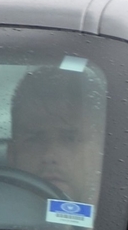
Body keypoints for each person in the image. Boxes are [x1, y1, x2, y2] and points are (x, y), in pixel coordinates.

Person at [6, 66, 105, 203]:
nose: (49, 156)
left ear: (101, 154)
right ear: (12, 155)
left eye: (70, 139)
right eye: (34, 139)